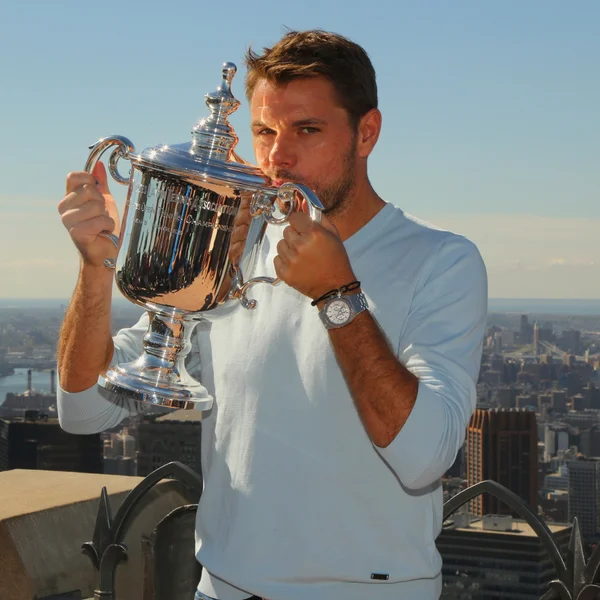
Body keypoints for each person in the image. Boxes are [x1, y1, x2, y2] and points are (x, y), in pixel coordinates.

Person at [57, 29, 487, 600]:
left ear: (367, 132)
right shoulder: (232, 247)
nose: (278, 156)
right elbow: (84, 410)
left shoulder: (441, 259)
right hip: (222, 588)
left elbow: (424, 458)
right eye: (264, 131)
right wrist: (95, 267)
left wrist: (336, 292)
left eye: (307, 130)